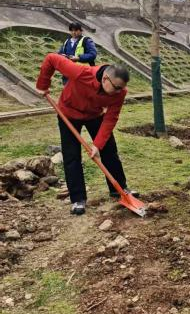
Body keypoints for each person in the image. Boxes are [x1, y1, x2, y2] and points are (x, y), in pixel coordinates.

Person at [36, 53, 136, 215]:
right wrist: (43, 84)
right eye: (117, 87)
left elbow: (111, 118)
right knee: (72, 156)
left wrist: (97, 145)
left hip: (94, 115)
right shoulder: (80, 72)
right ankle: (78, 199)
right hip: (68, 114)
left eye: (122, 88)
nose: (119, 91)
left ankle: (119, 189)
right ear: (105, 78)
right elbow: (51, 59)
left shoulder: (120, 93)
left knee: (109, 150)